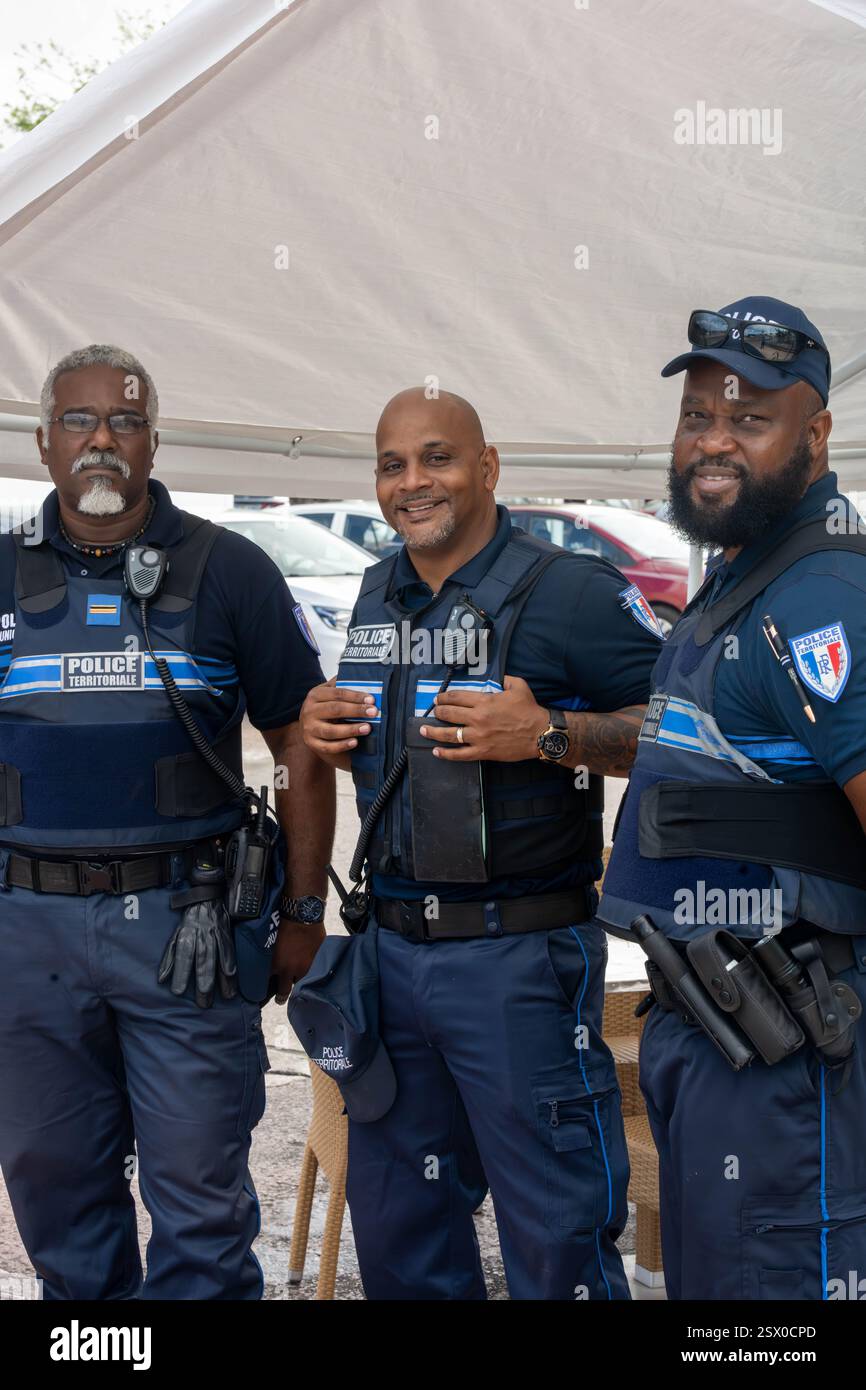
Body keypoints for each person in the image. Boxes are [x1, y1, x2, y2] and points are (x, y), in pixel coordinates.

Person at [300, 386, 663, 1299]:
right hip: (391, 956)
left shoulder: (571, 590)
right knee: (402, 1235)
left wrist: (550, 736)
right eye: (392, 465)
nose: (413, 482)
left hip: (519, 966)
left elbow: (683, 729)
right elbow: (372, 743)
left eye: (438, 458)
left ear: (489, 467)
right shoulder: (379, 590)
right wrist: (322, 722)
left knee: (555, 1236)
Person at [0, 344, 335, 1300]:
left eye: (125, 422)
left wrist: (303, 915)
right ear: (43, 441)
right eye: (79, 421)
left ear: (152, 440)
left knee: (200, 1197)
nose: (101, 441)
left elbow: (302, 746)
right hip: (27, 936)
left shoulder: (229, 570)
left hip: (185, 930)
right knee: (55, 1190)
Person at [597, 296, 866, 1300]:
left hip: (786, 1057)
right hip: (707, 1038)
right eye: (696, 415)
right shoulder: (733, 583)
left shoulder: (819, 598)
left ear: (816, 433)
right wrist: (550, 734)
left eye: (748, 418)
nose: (712, 441)